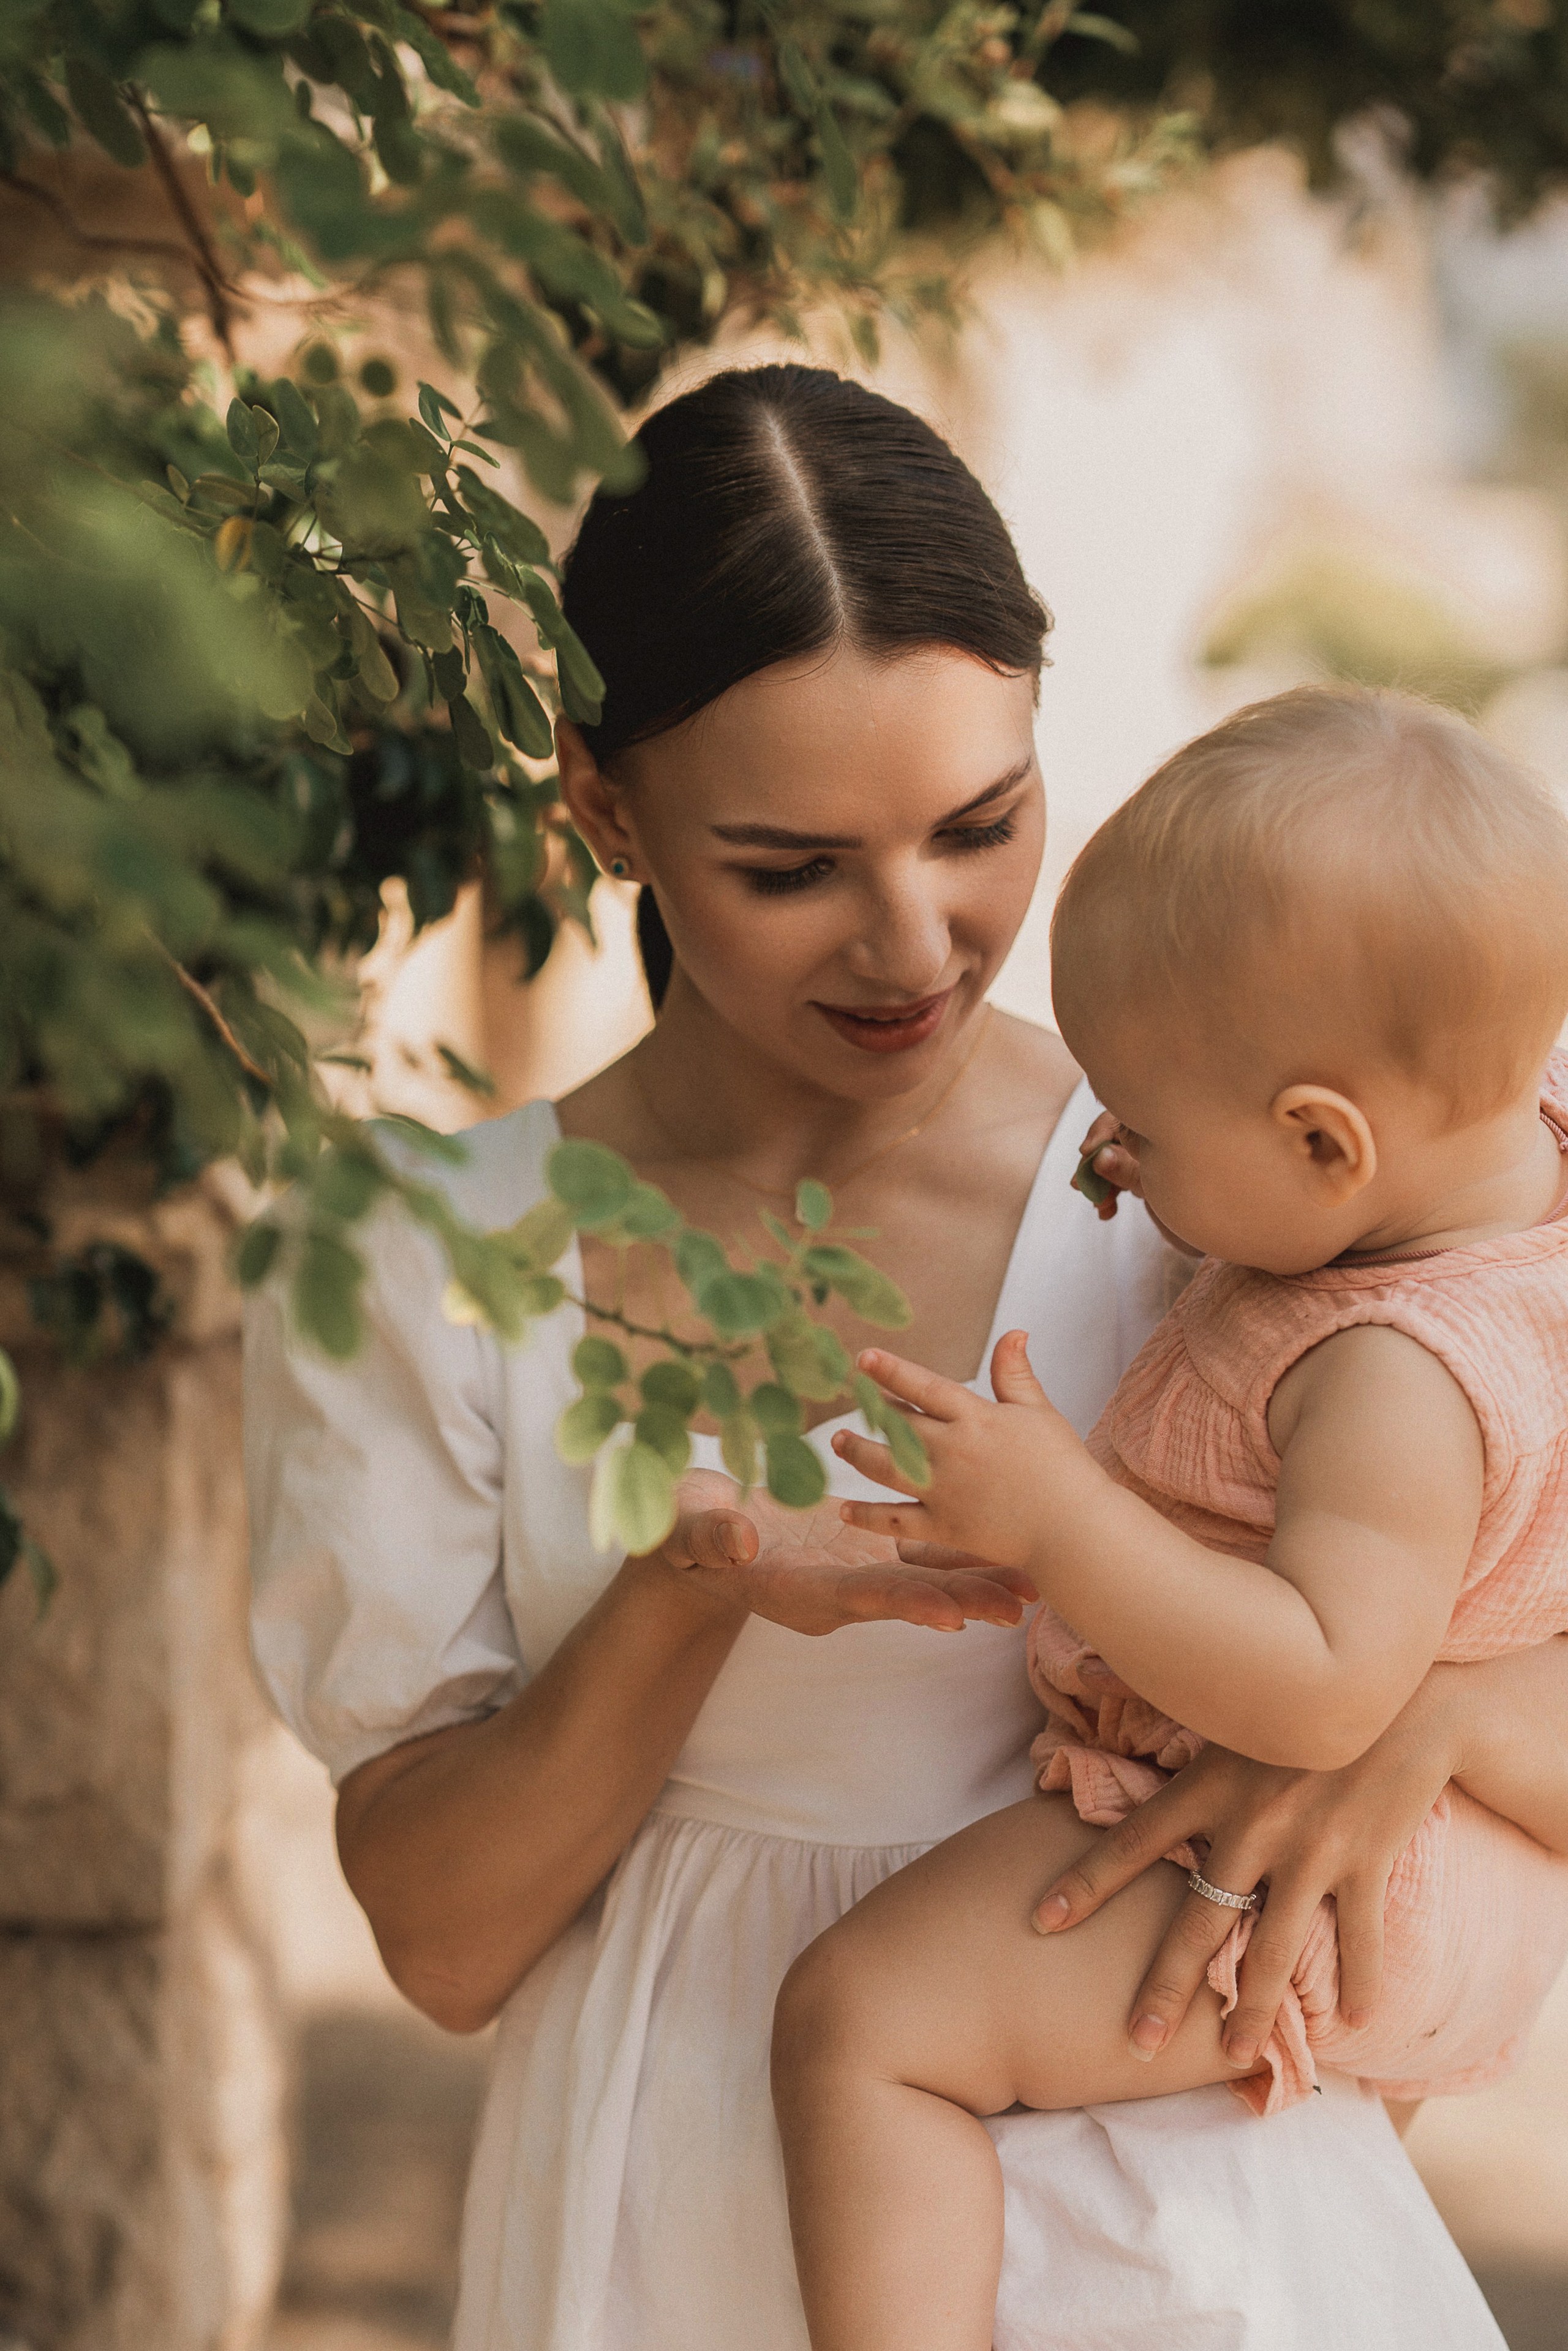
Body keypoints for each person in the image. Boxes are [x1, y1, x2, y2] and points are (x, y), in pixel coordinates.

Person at [244, 368, 1562, 2351]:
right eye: (792, 867)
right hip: (664, 2218)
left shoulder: (1247, 1202)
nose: (917, 943)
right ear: (601, 804)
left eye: (980, 825)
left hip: (1199, 2250)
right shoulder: (429, 1254)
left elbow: (1461, 1553)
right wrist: (699, 1588)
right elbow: (443, 1945)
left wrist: (1432, 1721)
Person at [769, 685, 1568, 2351]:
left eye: (1140, 1119)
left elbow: (1330, 1685)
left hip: (1326, 1872)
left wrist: (1066, 1522)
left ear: (1322, 1141)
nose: (1109, 1150)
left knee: (863, 2021)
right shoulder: (1483, 1202)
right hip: (1427, 1887)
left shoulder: (1392, 1371)